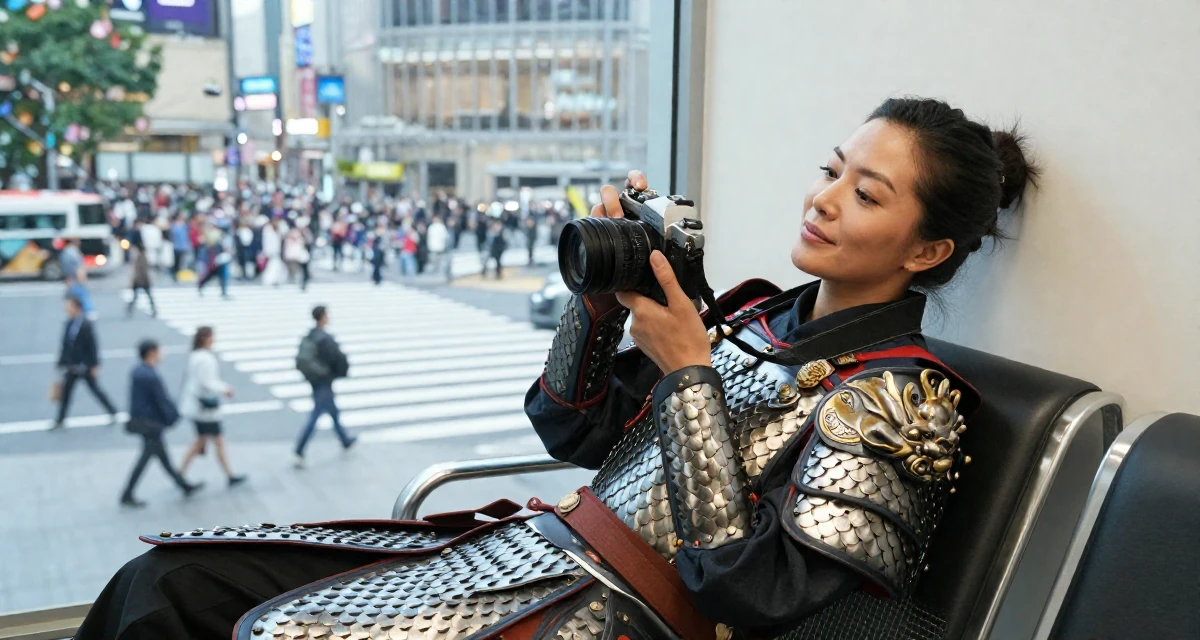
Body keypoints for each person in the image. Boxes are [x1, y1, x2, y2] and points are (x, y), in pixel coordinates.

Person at [76, 96, 1036, 640]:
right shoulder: (754, 318)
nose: (823, 200)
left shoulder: (904, 397)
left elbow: (755, 595)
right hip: (536, 555)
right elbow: (571, 430)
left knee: (270, 636)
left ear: (926, 251)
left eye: (865, 194)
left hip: (621, 618)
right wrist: (598, 309)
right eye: (832, 169)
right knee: (165, 585)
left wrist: (690, 380)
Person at [120, 340, 204, 508]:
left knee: (162, 458)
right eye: (159, 351)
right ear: (152, 353)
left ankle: (184, 485)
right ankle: (127, 494)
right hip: (151, 424)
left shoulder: (138, 371)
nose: (162, 354)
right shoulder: (151, 376)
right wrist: (173, 417)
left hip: (143, 422)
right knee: (146, 458)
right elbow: (162, 401)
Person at [177, 326, 247, 487]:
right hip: (205, 409)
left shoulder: (195, 356)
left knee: (203, 441)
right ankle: (229, 475)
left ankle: (181, 472)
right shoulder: (205, 359)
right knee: (214, 441)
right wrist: (225, 389)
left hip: (197, 406)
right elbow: (207, 382)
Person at [293, 305, 355, 468]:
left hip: (316, 380)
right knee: (316, 415)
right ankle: (299, 449)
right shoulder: (323, 337)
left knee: (333, 411)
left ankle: (345, 440)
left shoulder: (311, 335)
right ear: (322, 317)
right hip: (323, 380)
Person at [52, 294, 118, 429]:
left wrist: (95, 365)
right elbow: (65, 345)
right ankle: (60, 419)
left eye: (69, 305)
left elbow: (93, 346)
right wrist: (61, 361)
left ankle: (112, 410)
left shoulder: (85, 324)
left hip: (84, 365)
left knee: (95, 389)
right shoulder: (69, 322)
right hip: (72, 366)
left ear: (76, 307)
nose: (66, 308)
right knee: (66, 393)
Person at [59, 238, 95, 319]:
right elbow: (79, 268)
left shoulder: (65, 253)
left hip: (70, 279)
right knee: (83, 295)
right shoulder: (74, 253)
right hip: (76, 279)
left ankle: (73, 312)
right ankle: (89, 312)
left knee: (70, 297)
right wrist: (82, 279)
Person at [125, 235, 157, 318]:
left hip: (140, 280)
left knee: (137, 297)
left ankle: (130, 310)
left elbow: (139, 271)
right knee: (147, 296)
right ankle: (153, 310)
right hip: (144, 280)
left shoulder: (140, 258)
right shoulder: (142, 257)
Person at [169, 214, 190, 281]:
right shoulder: (175, 227)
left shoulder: (184, 227)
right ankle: (175, 274)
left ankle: (179, 274)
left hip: (183, 247)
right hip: (177, 247)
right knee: (177, 262)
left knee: (182, 262)